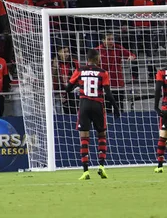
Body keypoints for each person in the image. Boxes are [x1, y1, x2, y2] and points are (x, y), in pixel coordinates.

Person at [66, 49, 120, 180]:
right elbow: (108, 93)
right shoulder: (103, 73)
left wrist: (78, 87)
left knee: (84, 138)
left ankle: (85, 171)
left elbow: (68, 88)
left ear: (87, 59)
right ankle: (101, 166)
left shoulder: (79, 71)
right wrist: (116, 107)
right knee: (101, 135)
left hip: (84, 105)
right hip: (98, 106)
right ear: (97, 59)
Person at [96, 33, 136, 111]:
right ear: (103, 40)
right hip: (104, 85)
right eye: (108, 39)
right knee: (106, 109)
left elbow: (132, 55)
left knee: (119, 108)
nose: (111, 41)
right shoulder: (97, 50)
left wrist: (131, 56)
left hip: (118, 84)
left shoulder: (118, 48)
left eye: (112, 39)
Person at [52, 45, 79, 114]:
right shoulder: (54, 64)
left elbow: (80, 77)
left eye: (67, 52)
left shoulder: (74, 63)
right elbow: (53, 81)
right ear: (59, 53)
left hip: (73, 93)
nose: (67, 54)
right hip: (59, 93)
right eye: (64, 52)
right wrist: (60, 94)